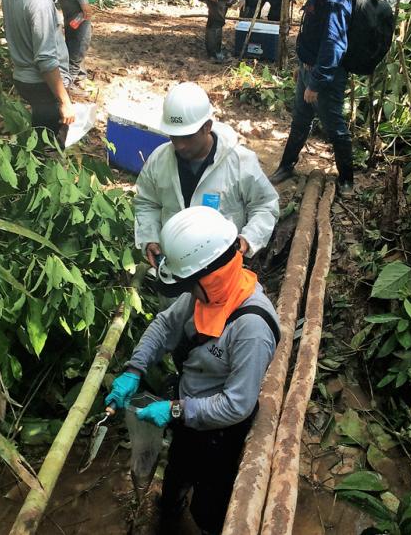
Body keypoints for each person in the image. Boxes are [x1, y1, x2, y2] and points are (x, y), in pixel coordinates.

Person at [105, 206, 280, 535]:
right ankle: (169, 509)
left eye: (189, 283)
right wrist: (134, 368)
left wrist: (173, 409)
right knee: (176, 474)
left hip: (220, 432)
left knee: (209, 508)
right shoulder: (205, 297)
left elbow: (237, 404)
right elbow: (164, 325)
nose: (186, 291)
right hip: (187, 412)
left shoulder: (252, 329)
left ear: (211, 276)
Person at [135, 82, 279, 267]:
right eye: (174, 136)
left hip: (223, 269)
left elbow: (265, 206)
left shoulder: (240, 162)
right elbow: (146, 203)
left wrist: (248, 238)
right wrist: (150, 238)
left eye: (187, 136)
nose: (179, 145)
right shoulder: (159, 160)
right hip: (175, 266)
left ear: (207, 127)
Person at [268, 0, 354, 194]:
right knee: (300, 120)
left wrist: (315, 83)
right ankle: (286, 165)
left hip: (325, 77)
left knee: (335, 126)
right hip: (310, 71)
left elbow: (334, 44)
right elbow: (314, 34)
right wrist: (302, 66)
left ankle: (347, 180)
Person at [1, 0, 75, 148]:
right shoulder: (40, 2)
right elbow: (45, 60)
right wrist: (64, 101)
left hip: (23, 79)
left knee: (34, 141)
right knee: (49, 149)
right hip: (43, 86)